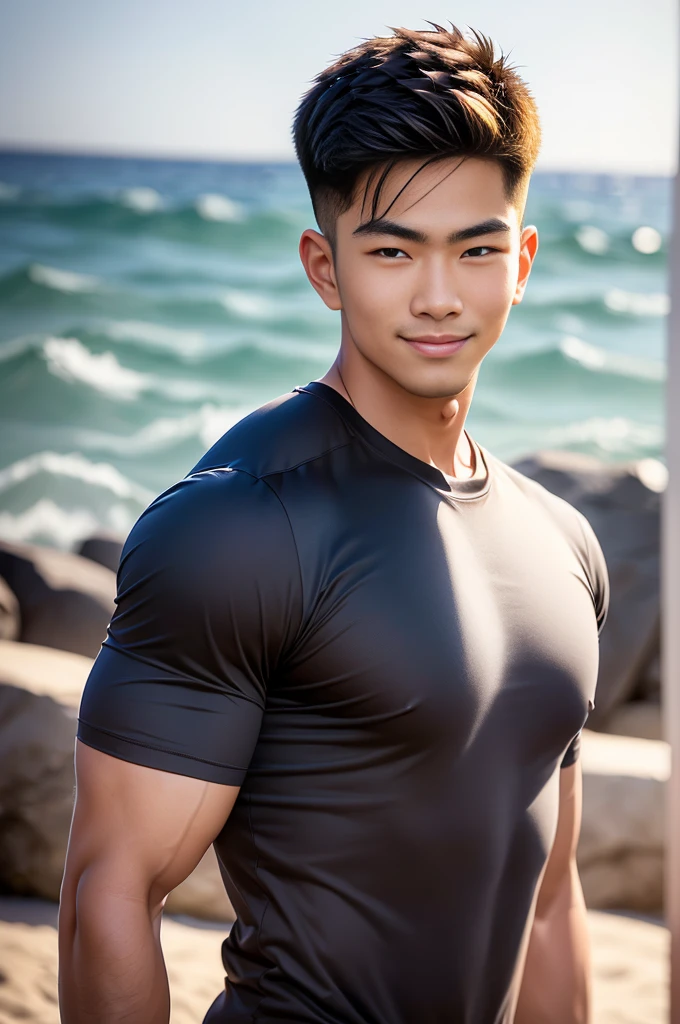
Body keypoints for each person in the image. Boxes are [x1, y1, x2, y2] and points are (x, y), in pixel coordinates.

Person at [58, 21, 609, 1024]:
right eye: (392, 251)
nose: (438, 296)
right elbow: (110, 892)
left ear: (520, 260)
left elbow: (542, 899)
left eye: (474, 248)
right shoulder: (238, 525)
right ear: (324, 266)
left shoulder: (562, 543)